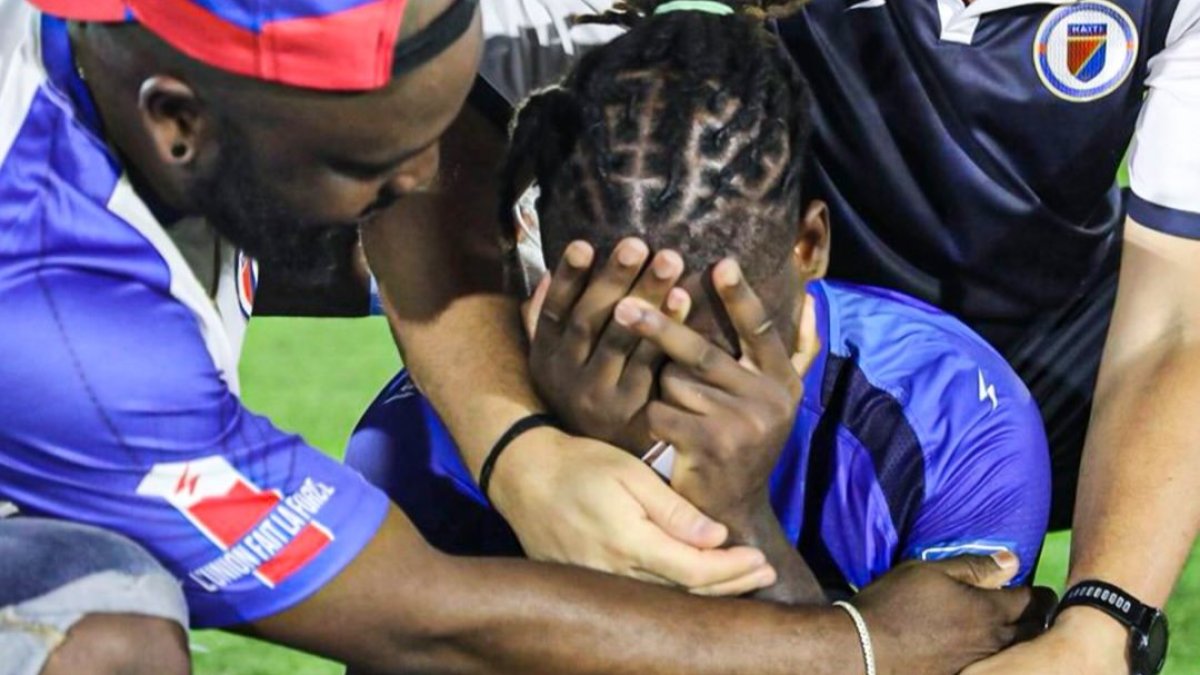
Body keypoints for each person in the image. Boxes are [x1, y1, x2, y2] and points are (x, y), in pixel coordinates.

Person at [0, 0, 1052, 673]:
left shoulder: (135, 55)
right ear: (179, 122)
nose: (416, 192)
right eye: (372, 164)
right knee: (108, 646)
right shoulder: (76, 334)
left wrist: (523, 448)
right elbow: (420, 619)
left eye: (435, 139)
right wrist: (854, 649)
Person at [346, 8, 1052, 601]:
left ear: (810, 244)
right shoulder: (427, 438)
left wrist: (738, 511)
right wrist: (609, 465)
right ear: (541, 270)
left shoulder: (952, 413)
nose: (676, 401)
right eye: (623, 340)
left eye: (719, 352)